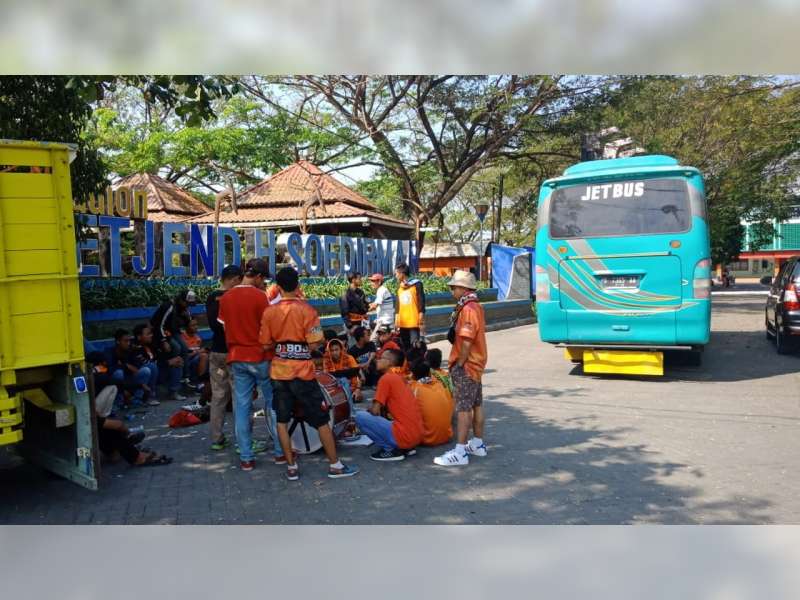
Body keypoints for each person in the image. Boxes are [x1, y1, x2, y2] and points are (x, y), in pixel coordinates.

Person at [259, 266, 359, 480]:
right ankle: (335, 465)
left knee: (282, 420)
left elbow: (265, 343)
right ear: (297, 285)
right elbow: (315, 343)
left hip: (279, 373)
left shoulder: (269, 312)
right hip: (303, 374)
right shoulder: (308, 311)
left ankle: (291, 468)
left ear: (277, 287)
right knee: (322, 419)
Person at [218, 258, 278, 471]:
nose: (264, 284)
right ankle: (281, 451)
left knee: (242, 408)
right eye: (264, 280)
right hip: (261, 356)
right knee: (272, 403)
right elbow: (269, 326)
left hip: (236, 357)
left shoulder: (225, 298)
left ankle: (246, 457)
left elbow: (224, 326)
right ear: (259, 276)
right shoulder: (260, 297)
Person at [434, 270, 489, 467]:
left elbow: (466, 340)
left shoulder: (467, 309)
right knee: (476, 404)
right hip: (477, 363)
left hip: (467, 364)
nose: (452, 291)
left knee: (463, 409)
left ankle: (460, 451)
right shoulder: (476, 306)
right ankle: (478, 444)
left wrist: (459, 363)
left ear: (463, 288)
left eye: (454, 287)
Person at [355, 348, 423, 462]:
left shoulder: (386, 378)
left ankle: (390, 449)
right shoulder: (400, 377)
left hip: (405, 436)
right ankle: (406, 448)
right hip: (417, 436)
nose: (377, 360)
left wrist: (369, 410)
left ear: (389, 362)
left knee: (359, 416)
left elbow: (375, 411)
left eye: (381, 358)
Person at [206, 264, 242, 451]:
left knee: (218, 397)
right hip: (232, 352)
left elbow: (214, 326)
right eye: (239, 280)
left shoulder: (211, 297)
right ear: (234, 279)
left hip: (216, 353)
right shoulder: (232, 297)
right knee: (239, 396)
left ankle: (217, 439)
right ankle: (242, 441)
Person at [409, 360, 454, 446]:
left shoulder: (413, 388)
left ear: (413, 375)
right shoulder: (439, 384)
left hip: (427, 440)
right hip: (447, 435)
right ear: (429, 373)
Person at [394, 262, 426, 350]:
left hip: (413, 321)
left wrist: (421, 315)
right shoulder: (399, 287)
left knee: (414, 346)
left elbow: (421, 301)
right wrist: (397, 318)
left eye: (396, 273)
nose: (395, 276)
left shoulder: (417, 284)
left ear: (402, 273)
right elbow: (398, 303)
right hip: (403, 322)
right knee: (404, 346)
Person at [129, 324, 162, 406]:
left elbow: (160, 359)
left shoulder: (151, 346)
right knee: (151, 367)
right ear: (139, 337)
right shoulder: (135, 348)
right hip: (140, 376)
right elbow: (142, 364)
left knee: (177, 361)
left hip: (157, 371)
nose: (151, 335)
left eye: (151, 333)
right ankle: (150, 396)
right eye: (148, 334)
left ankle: (174, 391)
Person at [324, 338, 363, 403]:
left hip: (352, 389)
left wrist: (358, 389)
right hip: (336, 392)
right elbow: (327, 378)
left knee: (357, 397)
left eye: (336, 350)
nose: (334, 352)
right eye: (332, 350)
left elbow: (357, 374)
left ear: (341, 349)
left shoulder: (349, 358)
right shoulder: (326, 361)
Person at [367, 273, 395, 343]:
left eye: (373, 281)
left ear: (379, 282)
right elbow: (374, 304)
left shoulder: (381, 290)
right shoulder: (382, 290)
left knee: (372, 341)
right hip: (385, 320)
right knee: (369, 325)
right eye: (371, 281)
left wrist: (363, 310)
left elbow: (374, 306)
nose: (371, 283)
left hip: (384, 322)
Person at [340, 271, 369, 336]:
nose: (361, 280)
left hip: (363, 323)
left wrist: (366, 309)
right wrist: (350, 327)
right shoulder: (345, 295)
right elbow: (344, 313)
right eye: (359, 278)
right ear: (353, 280)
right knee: (353, 344)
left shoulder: (361, 292)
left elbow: (366, 306)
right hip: (352, 325)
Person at [181, 318, 209, 385]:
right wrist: (198, 352)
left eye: (196, 325)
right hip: (186, 363)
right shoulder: (182, 338)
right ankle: (200, 382)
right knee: (203, 356)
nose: (196, 327)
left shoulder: (197, 338)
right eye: (192, 325)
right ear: (186, 327)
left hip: (197, 360)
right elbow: (183, 357)